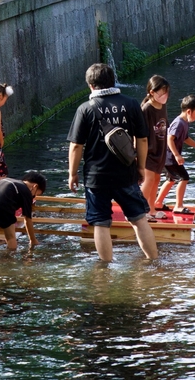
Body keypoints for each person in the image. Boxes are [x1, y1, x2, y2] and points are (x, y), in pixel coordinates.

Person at [67, 62, 158, 262]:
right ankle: (154, 262)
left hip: (96, 177)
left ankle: (105, 269)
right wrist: (140, 167)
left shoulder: (85, 109)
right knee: (139, 219)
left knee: (100, 223)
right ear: (113, 80)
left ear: (90, 85)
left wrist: (72, 174)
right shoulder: (131, 104)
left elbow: (76, 145)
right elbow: (142, 139)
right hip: (125, 172)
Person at [156, 94, 195, 214]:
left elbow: (186, 138)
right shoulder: (179, 123)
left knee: (171, 179)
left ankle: (158, 202)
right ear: (189, 111)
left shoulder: (184, 122)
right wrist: (176, 155)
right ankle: (178, 206)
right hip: (170, 157)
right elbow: (169, 138)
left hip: (168, 157)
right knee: (184, 178)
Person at [140, 75, 170, 218]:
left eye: (166, 92)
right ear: (152, 92)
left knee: (157, 179)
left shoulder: (162, 106)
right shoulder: (147, 109)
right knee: (149, 180)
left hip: (160, 149)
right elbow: (139, 133)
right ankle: (139, 211)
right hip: (148, 150)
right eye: (162, 92)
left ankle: (151, 209)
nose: (165, 95)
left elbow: (165, 126)